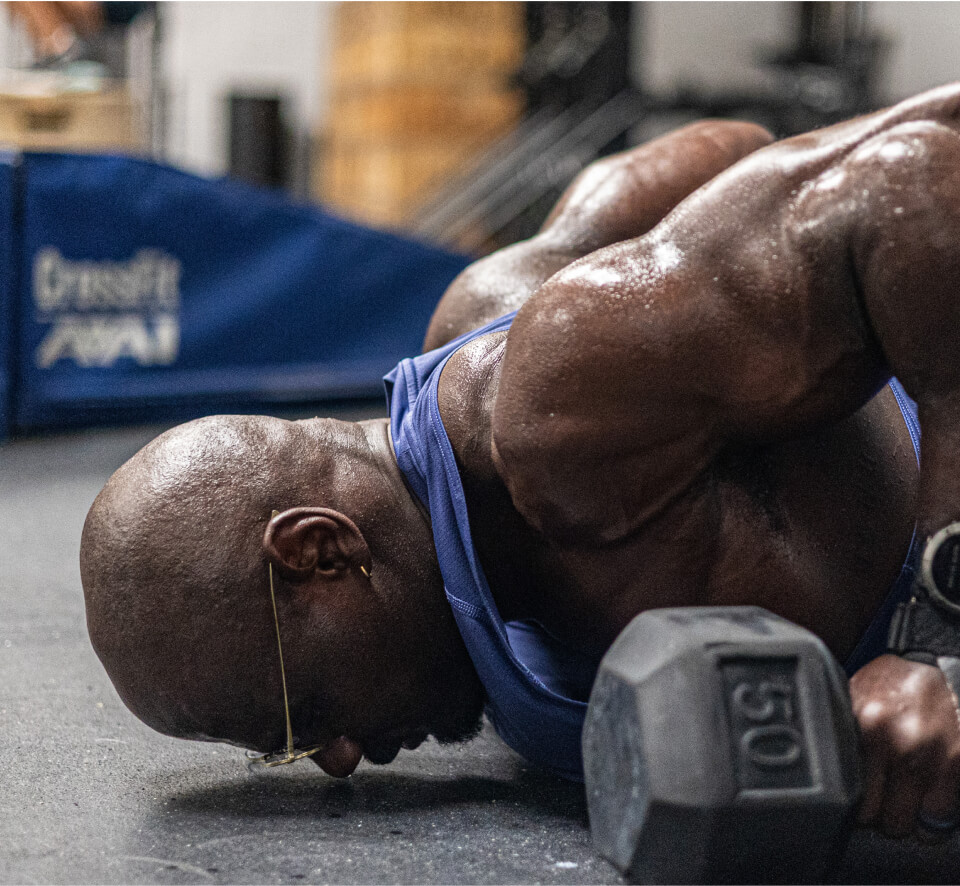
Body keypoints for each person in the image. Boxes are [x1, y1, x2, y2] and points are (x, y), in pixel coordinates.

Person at [81, 82, 960, 844]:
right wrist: (712, 282)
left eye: (303, 719)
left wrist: (940, 641)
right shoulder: (486, 313)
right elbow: (727, 149)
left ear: (319, 550)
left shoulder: (560, 416)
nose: (345, 759)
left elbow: (921, 180)